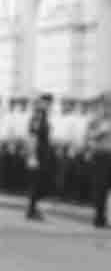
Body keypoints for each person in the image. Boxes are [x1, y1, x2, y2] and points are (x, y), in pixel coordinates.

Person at [85, 94, 111, 228]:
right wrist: (100, 131)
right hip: (100, 155)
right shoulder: (96, 119)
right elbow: (88, 137)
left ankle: (110, 217)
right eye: (107, 104)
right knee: (100, 187)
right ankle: (99, 217)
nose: (109, 107)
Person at [24, 93, 54, 221]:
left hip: (44, 153)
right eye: (46, 103)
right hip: (38, 154)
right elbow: (32, 137)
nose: (48, 106)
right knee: (36, 183)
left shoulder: (44, 117)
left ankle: (33, 209)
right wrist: (32, 156)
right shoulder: (37, 116)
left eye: (49, 104)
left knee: (41, 182)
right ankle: (32, 210)